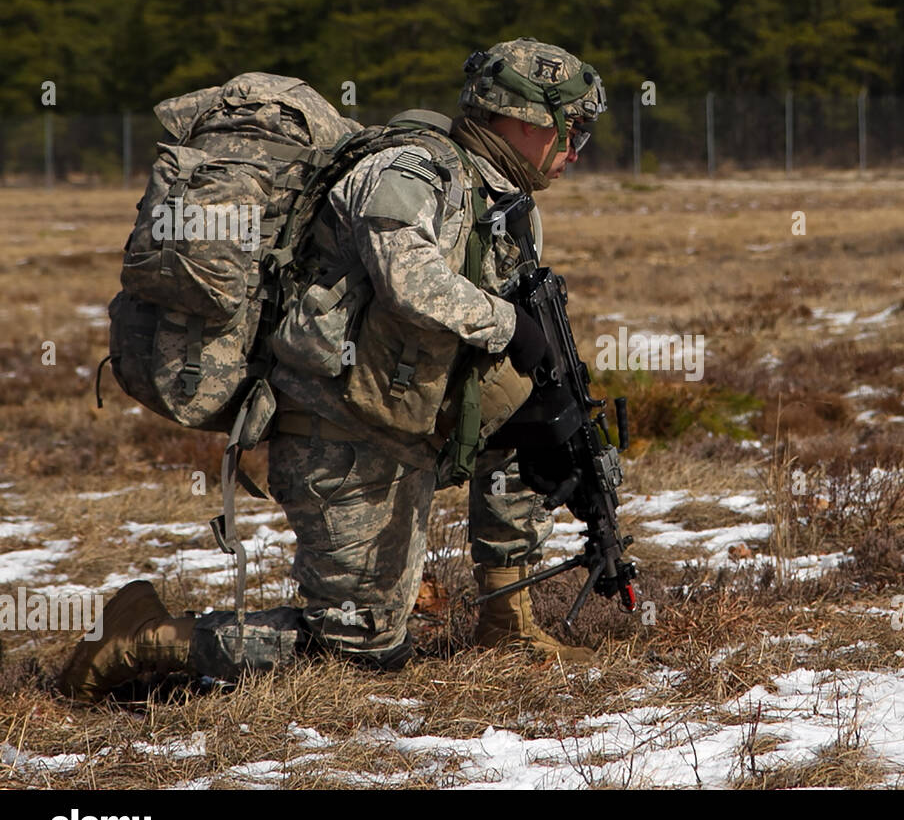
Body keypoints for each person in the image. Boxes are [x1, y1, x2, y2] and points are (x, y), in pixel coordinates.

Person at [60, 38, 608, 701]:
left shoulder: (502, 200)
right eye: (571, 132)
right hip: (336, 435)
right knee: (358, 651)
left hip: (404, 416)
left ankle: (508, 621)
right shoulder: (414, 172)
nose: (575, 151)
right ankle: (141, 636)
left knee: (543, 416)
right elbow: (411, 282)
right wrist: (508, 325)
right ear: (525, 122)